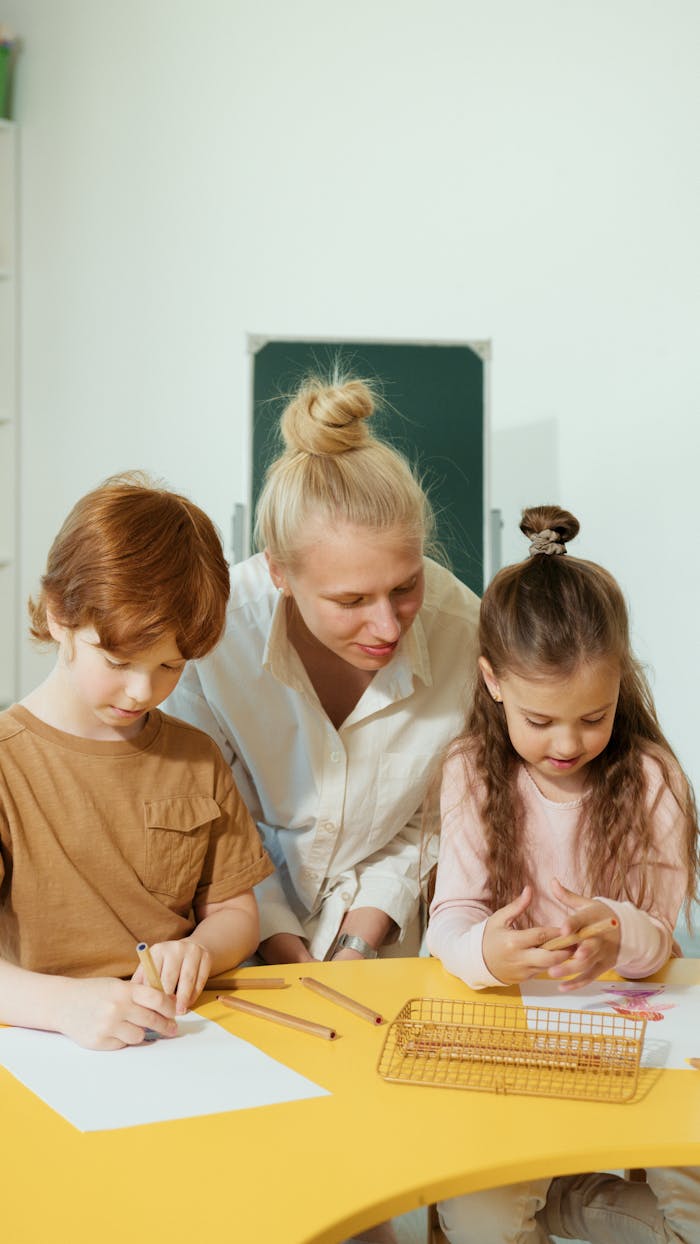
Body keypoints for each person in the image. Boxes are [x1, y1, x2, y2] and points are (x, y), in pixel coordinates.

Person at [427, 505, 700, 1243]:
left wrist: (618, 935)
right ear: (493, 682)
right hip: (515, 1039)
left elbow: (663, 942)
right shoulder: (470, 773)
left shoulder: (652, 779)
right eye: (541, 720)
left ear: (621, 684)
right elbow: (449, 918)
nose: (569, 742)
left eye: (594, 715)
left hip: (632, 1035)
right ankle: (554, 1199)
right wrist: (487, 949)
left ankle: (566, 1202)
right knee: (478, 1214)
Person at [167, 371, 481, 972]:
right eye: (351, 601)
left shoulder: (465, 633)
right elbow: (214, 818)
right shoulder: (214, 636)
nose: (389, 627)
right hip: (227, 931)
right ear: (280, 573)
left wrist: (360, 939)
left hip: (384, 941)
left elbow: (431, 820)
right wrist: (277, 938)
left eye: (405, 586)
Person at [0, 473, 272, 1052]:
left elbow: (234, 911)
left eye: (170, 667)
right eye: (118, 661)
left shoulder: (196, 757)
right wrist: (63, 1004)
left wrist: (201, 948)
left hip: (177, 1039)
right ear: (58, 615)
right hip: (41, 1041)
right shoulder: (6, 763)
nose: (142, 691)